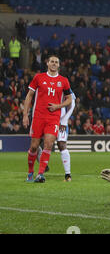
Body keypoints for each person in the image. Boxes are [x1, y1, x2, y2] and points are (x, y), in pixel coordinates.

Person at [23, 55, 73, 183]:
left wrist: (58, 106)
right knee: (34, 146)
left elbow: (69, 99)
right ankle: (30, 172)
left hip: (53, 118)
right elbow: (29, 96)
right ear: (47, 63)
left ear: (59, 65)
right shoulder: (39, 77)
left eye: (56, 62)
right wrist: (25, 115)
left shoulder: (64, 81)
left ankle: (40, 174)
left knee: (49, 144)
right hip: (38, 116)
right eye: (52, 61)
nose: (54, 63)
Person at [37, 90, 76, 181]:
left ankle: (68, 175)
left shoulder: (63, 85)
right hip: (46, 119)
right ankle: (43, 165)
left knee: (61, 144)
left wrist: (64, 120)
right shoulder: (44, 86)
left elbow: (72, 102)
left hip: (60, 120)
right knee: (35, 144)